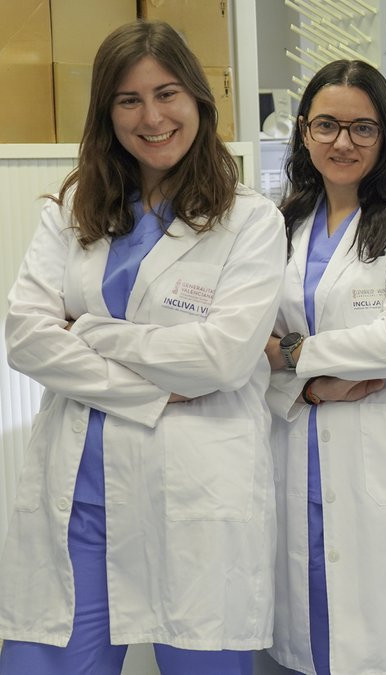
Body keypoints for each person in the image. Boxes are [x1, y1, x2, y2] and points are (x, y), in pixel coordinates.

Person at [0, 21, 284, 675]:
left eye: (167, 93)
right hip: (79, 501)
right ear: (107, 113)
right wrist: (154, 387)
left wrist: (89, 330)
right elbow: (26, 338)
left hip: (192, 497)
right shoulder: (72, 209)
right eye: (129, 100)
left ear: (198, 100)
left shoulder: (250, 221)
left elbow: (222, 359)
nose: (152, 117)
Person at [262, 60, 386, 675]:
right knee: (313, 635)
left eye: (362, 128)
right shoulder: (284, 222)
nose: (342, 142)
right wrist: (309, 389)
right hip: (299, 446)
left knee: (382, 646)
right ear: (304, 131)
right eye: (326, 125)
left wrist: (294, 353)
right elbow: (248, 343)